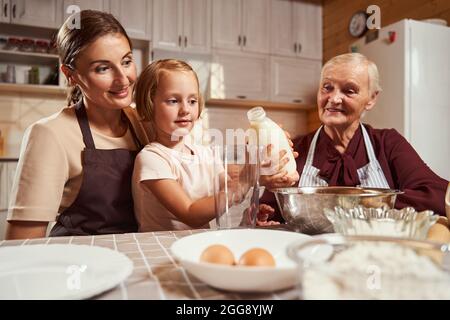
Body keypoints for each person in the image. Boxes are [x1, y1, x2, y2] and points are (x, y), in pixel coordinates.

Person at [6, 10, 149, 239]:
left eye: (126, 61)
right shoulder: (50, 135)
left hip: (136, 257)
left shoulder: (144, 125)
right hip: (76, 264)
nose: (123, 79)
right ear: (70, 74)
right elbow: (22, 243)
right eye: (102, 68)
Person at [262, 52, 449, 221]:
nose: (334, 99)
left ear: (371, 99)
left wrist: (361, 205)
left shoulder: (387, 143)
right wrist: (262, 215)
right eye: (327, 87)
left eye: (349, 90)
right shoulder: (296, 149)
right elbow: (271, 209)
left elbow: (436, 194)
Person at [132, 59, 297, 232]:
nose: (185, 109)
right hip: (160, 247)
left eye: (192, 101)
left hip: (195, 245)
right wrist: (245, 180)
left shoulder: (205, 154)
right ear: (148, 105)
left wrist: (258, 174)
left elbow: (231, 190)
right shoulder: (152, 158)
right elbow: (190, 214)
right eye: (173, 101)